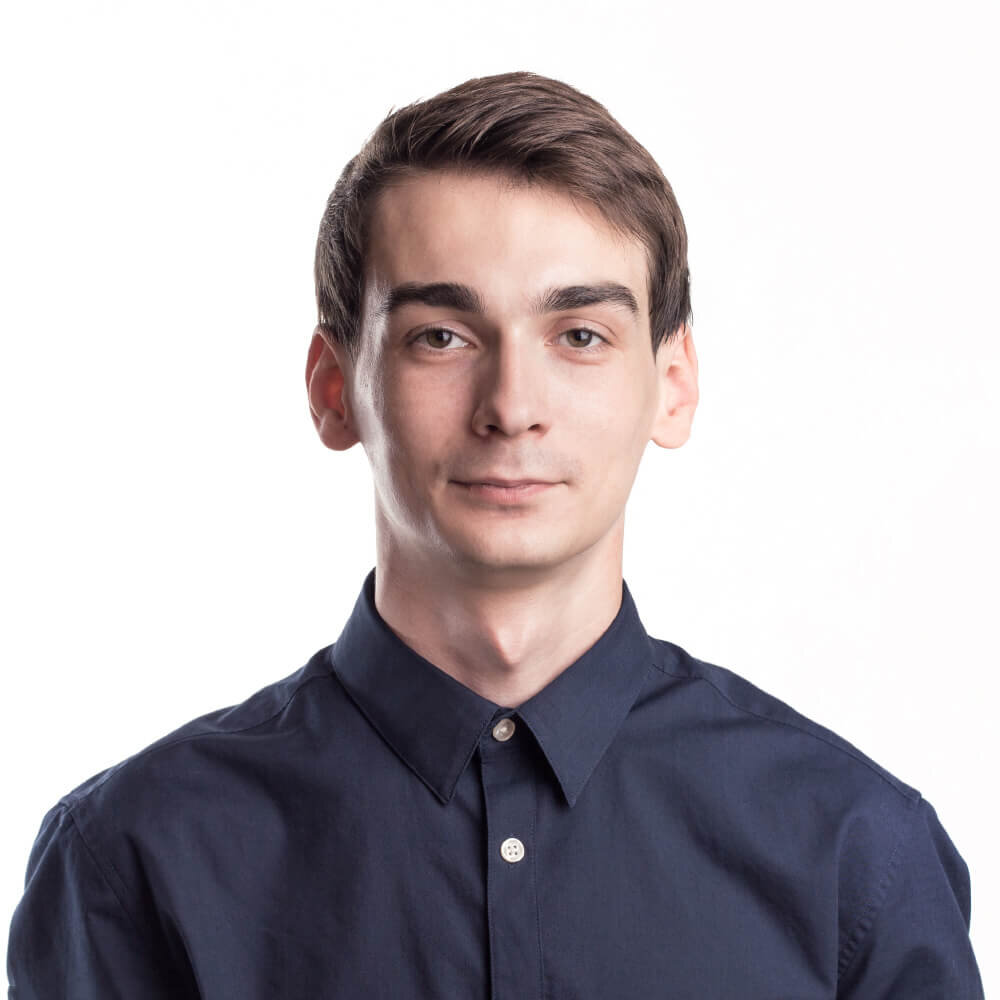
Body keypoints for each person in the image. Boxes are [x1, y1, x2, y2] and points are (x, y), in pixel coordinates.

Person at [6, 71, 984, 998]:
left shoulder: (856, 851)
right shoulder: (134, 857)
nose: (512, 407)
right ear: (335, 388)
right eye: (441, 336)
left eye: (580, 335)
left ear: (673, 385)